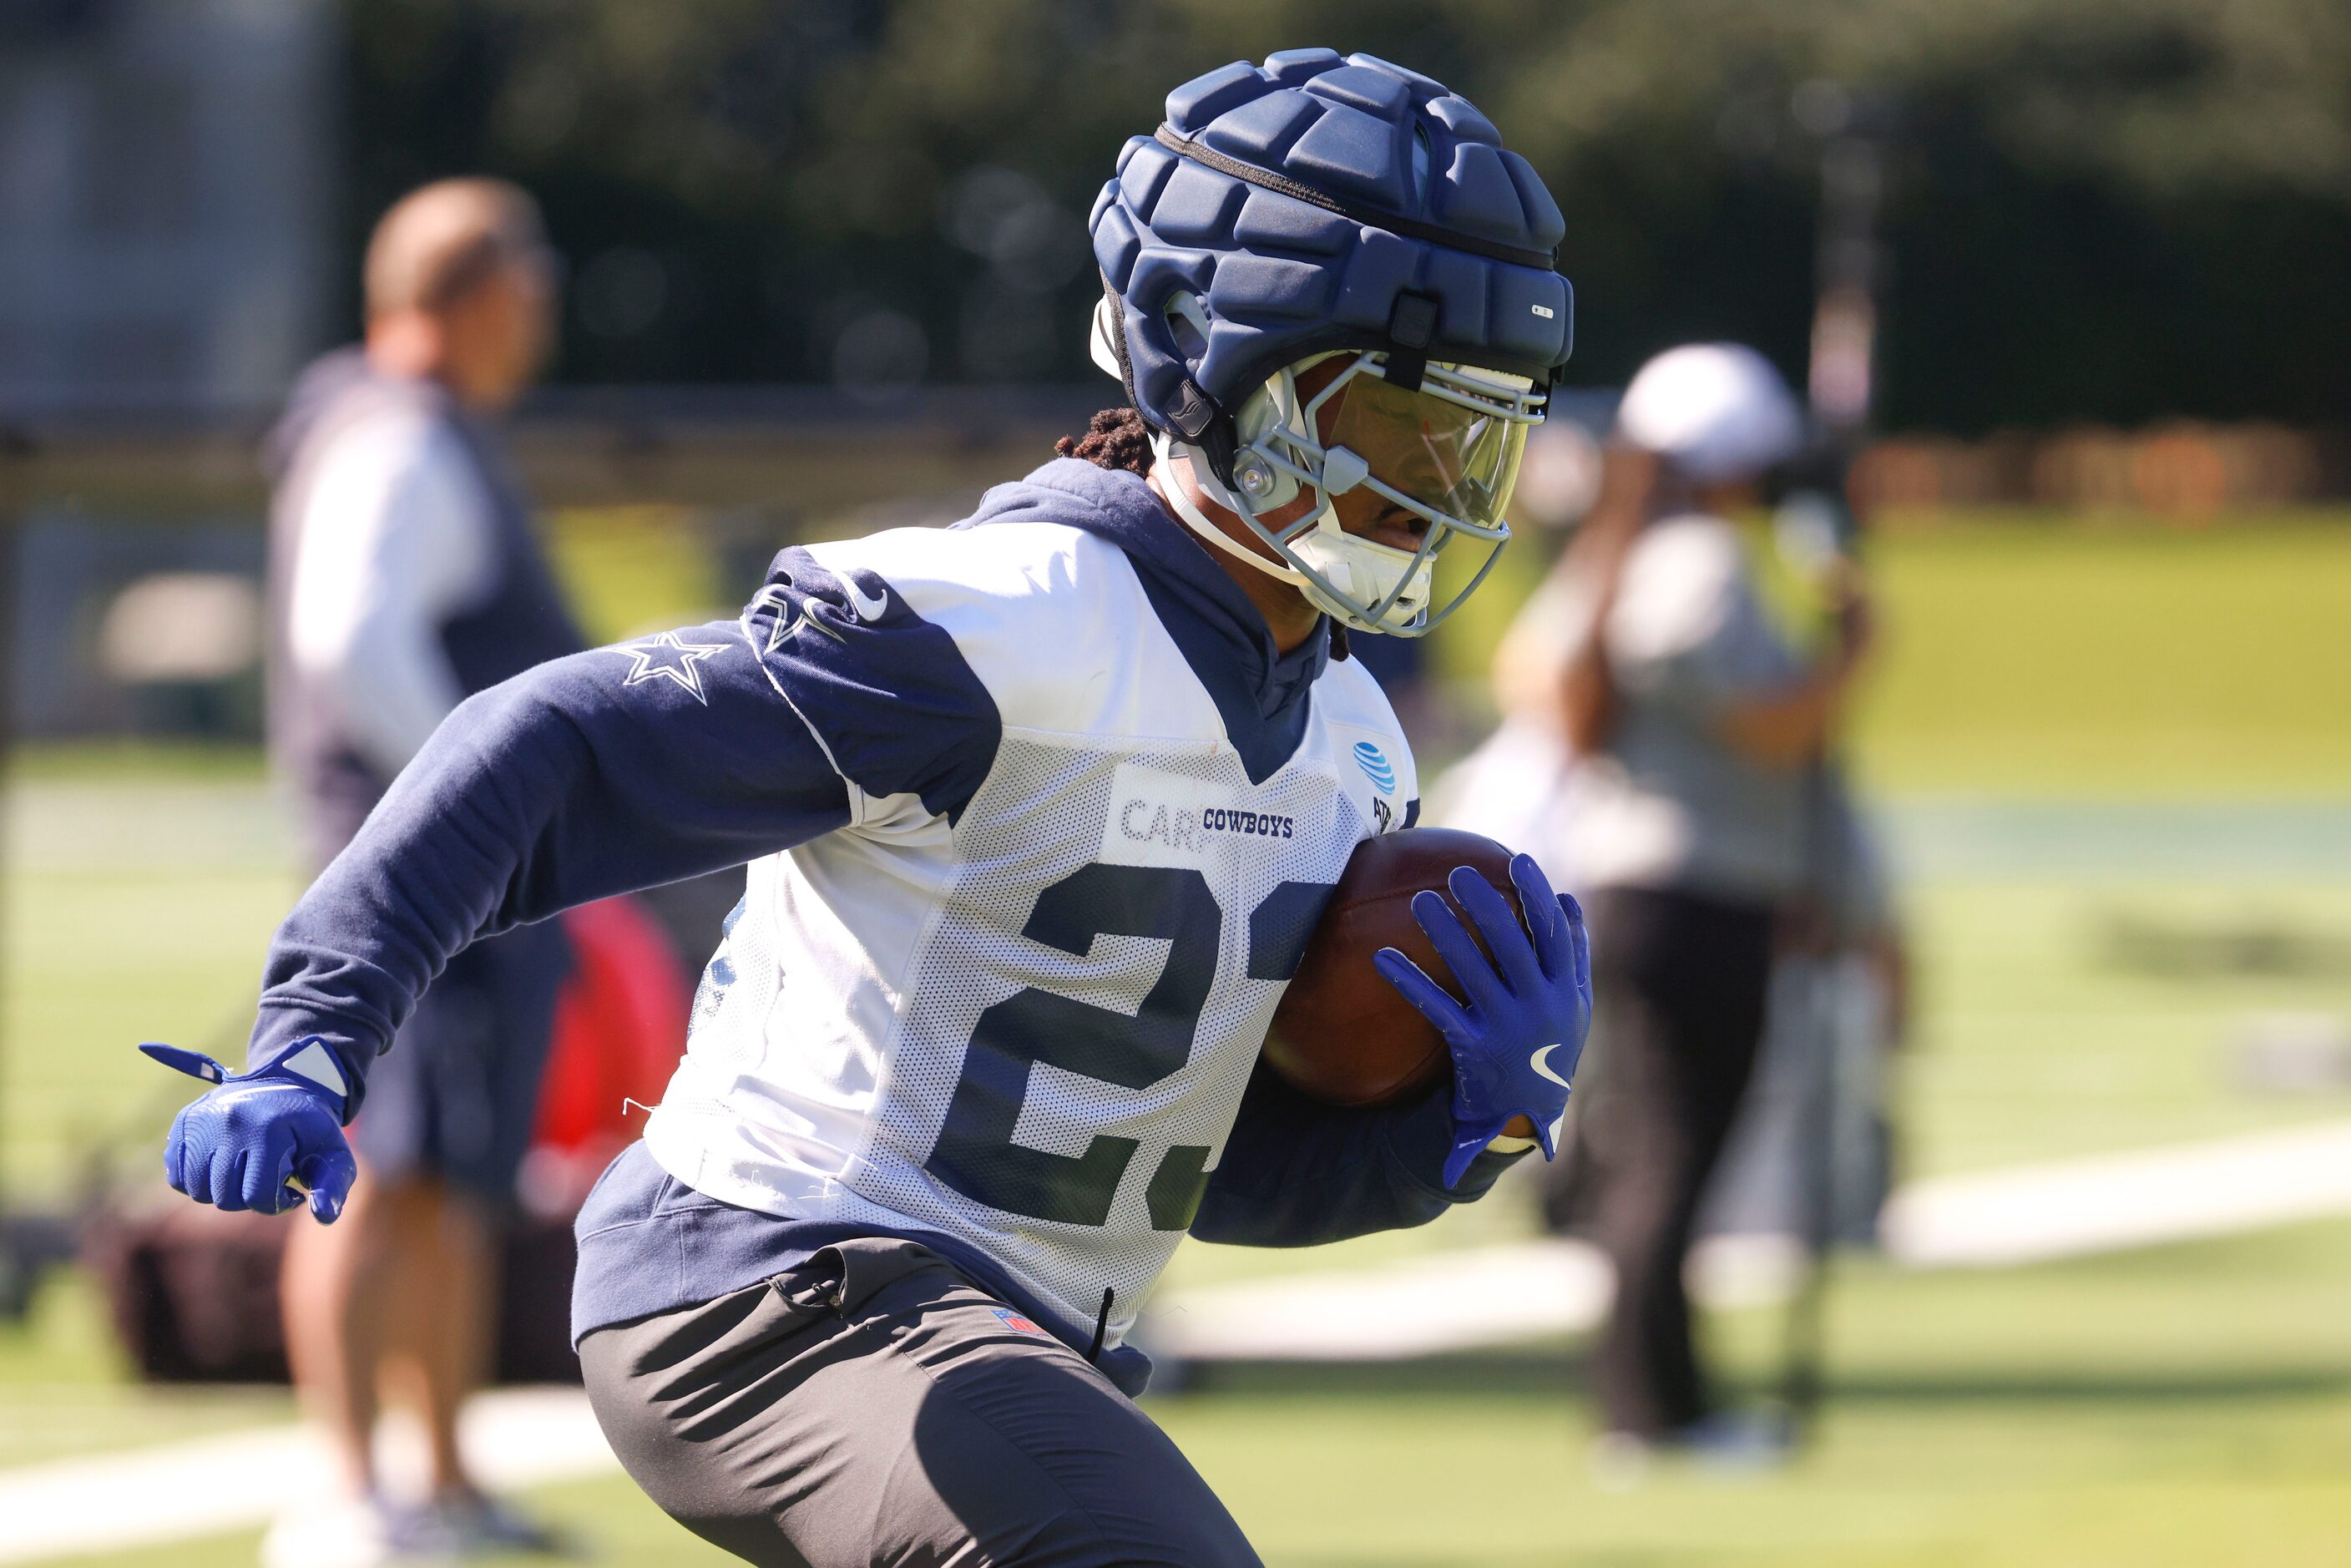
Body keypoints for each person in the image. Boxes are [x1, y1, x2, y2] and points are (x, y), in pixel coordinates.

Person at [147, 51, 1591, 1566]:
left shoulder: (1352, 741)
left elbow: (1162, 1148)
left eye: (1465, 437)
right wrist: (317, 1032)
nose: (1423, 488)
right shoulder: (1002, 621)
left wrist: (1447, 1136)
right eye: (1382, 422)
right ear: (1197, 356)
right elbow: (549, 744)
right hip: (768, 1284)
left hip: (979, 1325)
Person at [254, 177, 583, 1561]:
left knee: (456, 1177)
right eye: (533, 277)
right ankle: (350, 1487)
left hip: (463, 877)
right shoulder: (398, 434)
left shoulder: (422, 429)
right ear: (474, 292)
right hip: (418, 877)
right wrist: (469, 800)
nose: (546, 311)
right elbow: (353, 641)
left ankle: (440, 1482)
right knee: (375, 1177)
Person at [1545, 344, 1873, 1471]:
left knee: (1661, 1156)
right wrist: (1849, 661)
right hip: (1696, 895)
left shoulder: (1618, 555)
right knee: (1675, 1160)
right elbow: (1768, 727)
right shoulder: (1697, 564)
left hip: (1642, 888)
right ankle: (1648, 1412)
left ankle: (1665, 1400)